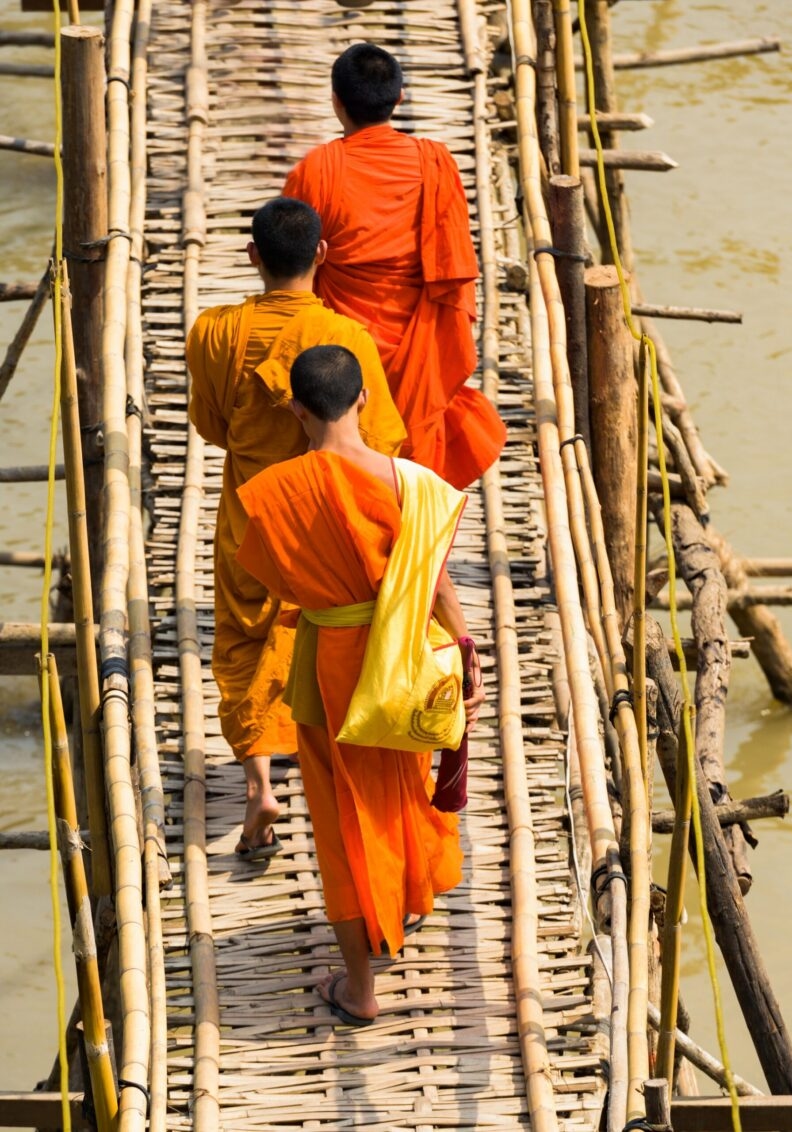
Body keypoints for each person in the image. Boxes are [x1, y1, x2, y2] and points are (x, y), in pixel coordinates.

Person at [236, 345, 484, 1025]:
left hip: (334, 668)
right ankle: (402, 903)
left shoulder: (272, 493)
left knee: (342, 815)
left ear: (294, 409)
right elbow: (436, 583)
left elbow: (277, 584)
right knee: (399, 783)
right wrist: (464, 651)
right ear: (365, 400)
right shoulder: (414, 484)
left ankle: (360, 986)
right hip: (407, 658)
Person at [186, 197, 406, 861]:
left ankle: (259, 781)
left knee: (244, 643)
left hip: (251, 511)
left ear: (252, 256)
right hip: (327, 519)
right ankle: (327, 773)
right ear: (322, 255)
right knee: (320, 641)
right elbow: (383, 442)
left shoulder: (214, 332)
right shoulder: (350, 340)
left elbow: (209, 425)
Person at [283, 42, 506, 491]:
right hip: (421, 345)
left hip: (341, 358)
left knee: (343, 476)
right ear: (399, 98)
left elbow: (292, 268)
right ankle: (416, 553)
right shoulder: (435, 163)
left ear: (336, 101)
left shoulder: (316, 170)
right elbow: (455, 266)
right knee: (415, 475)